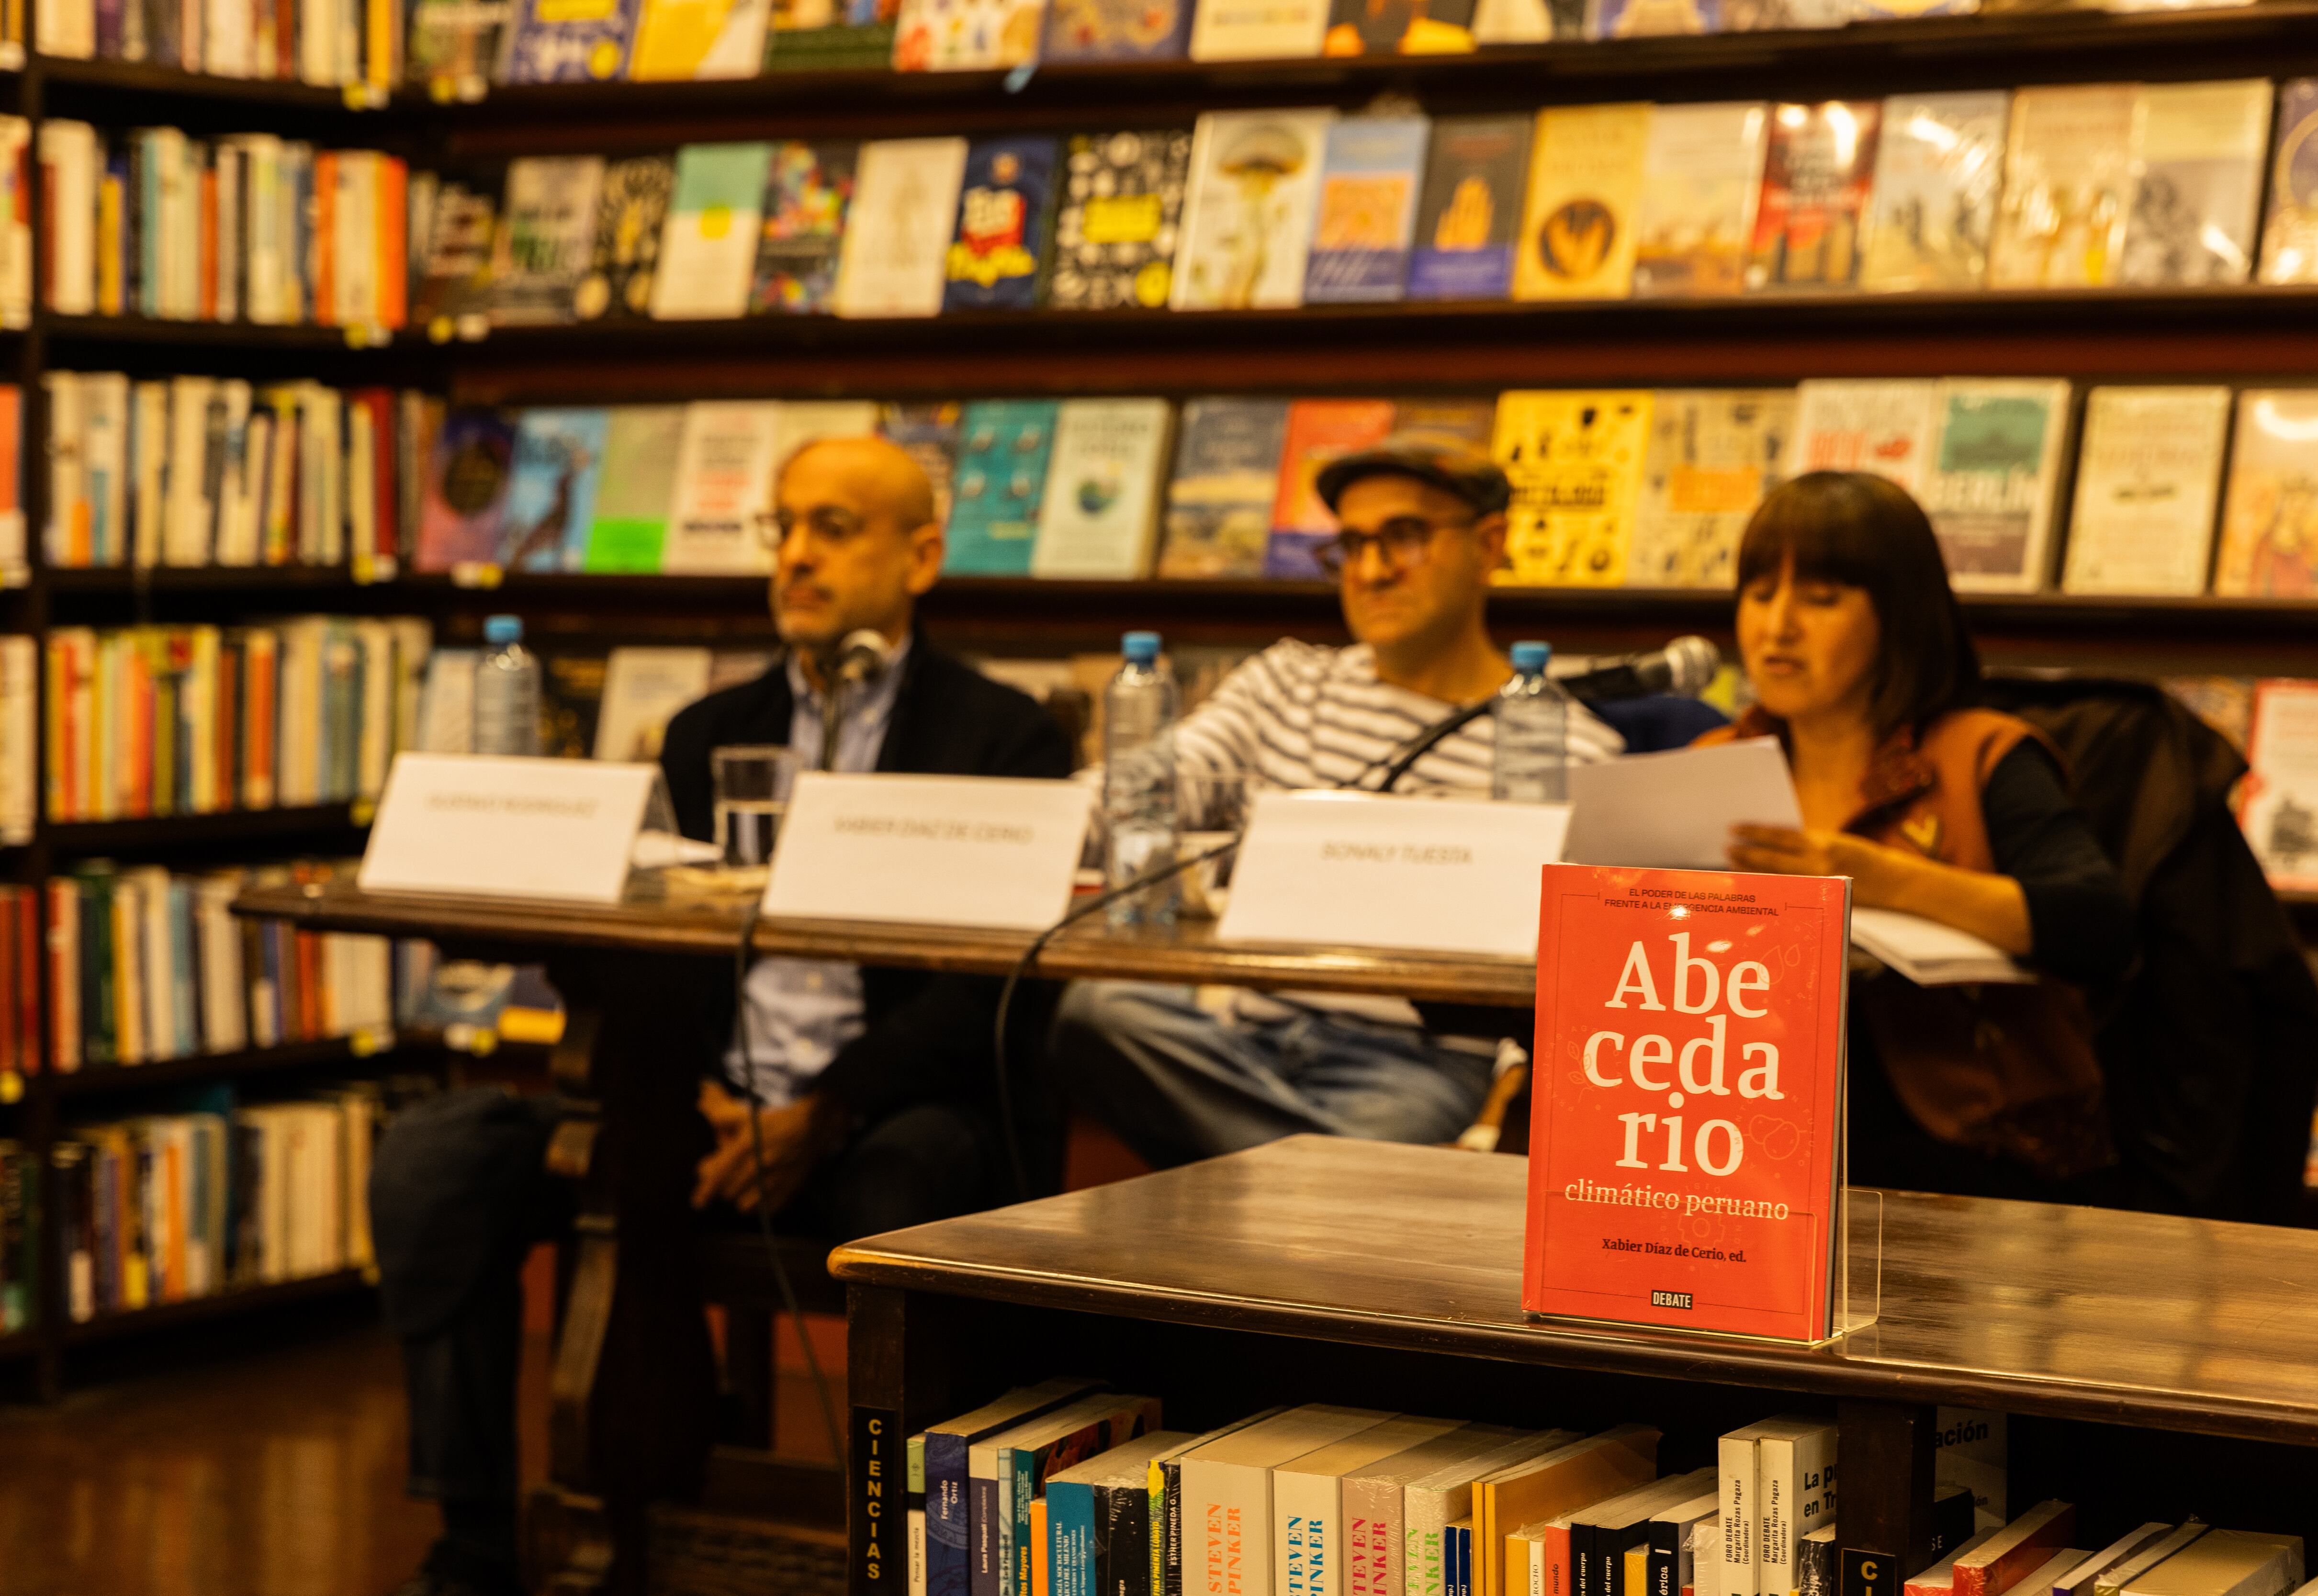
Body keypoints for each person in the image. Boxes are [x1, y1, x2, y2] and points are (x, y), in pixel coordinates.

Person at [370, 436, 1074, 1596]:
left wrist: (826, 1106)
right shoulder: (704, 731)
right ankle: (479, 1541)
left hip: (889, 1105)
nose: (795, 554)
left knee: (908, 1189)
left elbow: (994, 984)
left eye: (834, 528)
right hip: (699, 1103)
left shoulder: (1004, 734)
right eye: (782, 526)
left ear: (923, 555)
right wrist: (686, 1082)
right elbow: (653, 945)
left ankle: (913, 1557)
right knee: (437, 1158)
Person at [1046, 441, 1623, 1168]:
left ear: (1490, 545)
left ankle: (1303, 1180)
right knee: (1101, 1013)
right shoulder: (1286, 683)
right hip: (1237, 1037)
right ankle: (1333, 1180)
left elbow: (1574, 968)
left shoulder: (1569, 745)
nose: (1372, 570)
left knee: (1387, 1138)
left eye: (1404, 538)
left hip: (1414, 1064)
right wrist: (1023, 833)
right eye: (1351, 544)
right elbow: (1137, 790)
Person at [1705, 471, 2137, 1197]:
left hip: (1966, 1154)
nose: (1777, 626)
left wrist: (1882, 881)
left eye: (1820, 599)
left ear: (1898, 615)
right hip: (1737, 1137)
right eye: (1758, 593)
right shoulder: (1711, 765)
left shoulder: (1982, 754)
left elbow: (2099, 928)